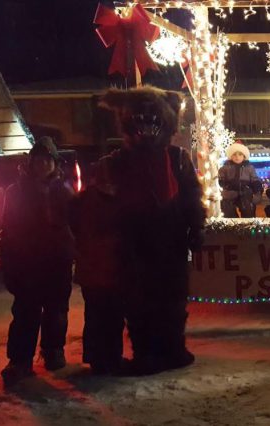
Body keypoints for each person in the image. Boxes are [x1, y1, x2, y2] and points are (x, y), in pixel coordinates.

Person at [97, 87, 206, 375]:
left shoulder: (178, 158)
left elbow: (191, 196)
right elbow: (105, 203)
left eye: (152, 120)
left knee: (173, 298)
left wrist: (196, 228)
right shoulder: (118, 161)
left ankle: (173, 348)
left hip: (171, 239)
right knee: (139, 301)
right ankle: (146, 352)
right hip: (135, 242)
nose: (146, 126)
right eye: (140, 120)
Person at [0, 137, 75, 386]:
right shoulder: (16, 193)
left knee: (57, 311)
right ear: (31, 163)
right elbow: (8, 231)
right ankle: (20, 360)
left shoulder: (64, 192)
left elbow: (75, 227)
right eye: (38, 160)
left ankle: (53, 350)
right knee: (25, 313)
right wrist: (9, 265)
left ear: (55, 164)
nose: (43, 165)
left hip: (57, 263)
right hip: (27, 264)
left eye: (47, 160)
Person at [70, 164, 128, 374]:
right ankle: (102, 358)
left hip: (108, 269)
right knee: (100, 316)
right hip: (98, 268)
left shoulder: (86, 200)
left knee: (109, 316)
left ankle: (105, 357)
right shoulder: (88, 202)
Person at [219, 141, 262, 218]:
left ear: (244, 156)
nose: (237, 157)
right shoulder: (225, 168)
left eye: (240, 154)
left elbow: (254, 179)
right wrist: (223, 183)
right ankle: (232, 224)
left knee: (247, 207)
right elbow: (221, 179)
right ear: (230, 156)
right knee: (226, 207)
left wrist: (257, 188)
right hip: (230, 191)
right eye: (234, 154)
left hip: (245, 191)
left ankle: (248, 223)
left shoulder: (249, 168)